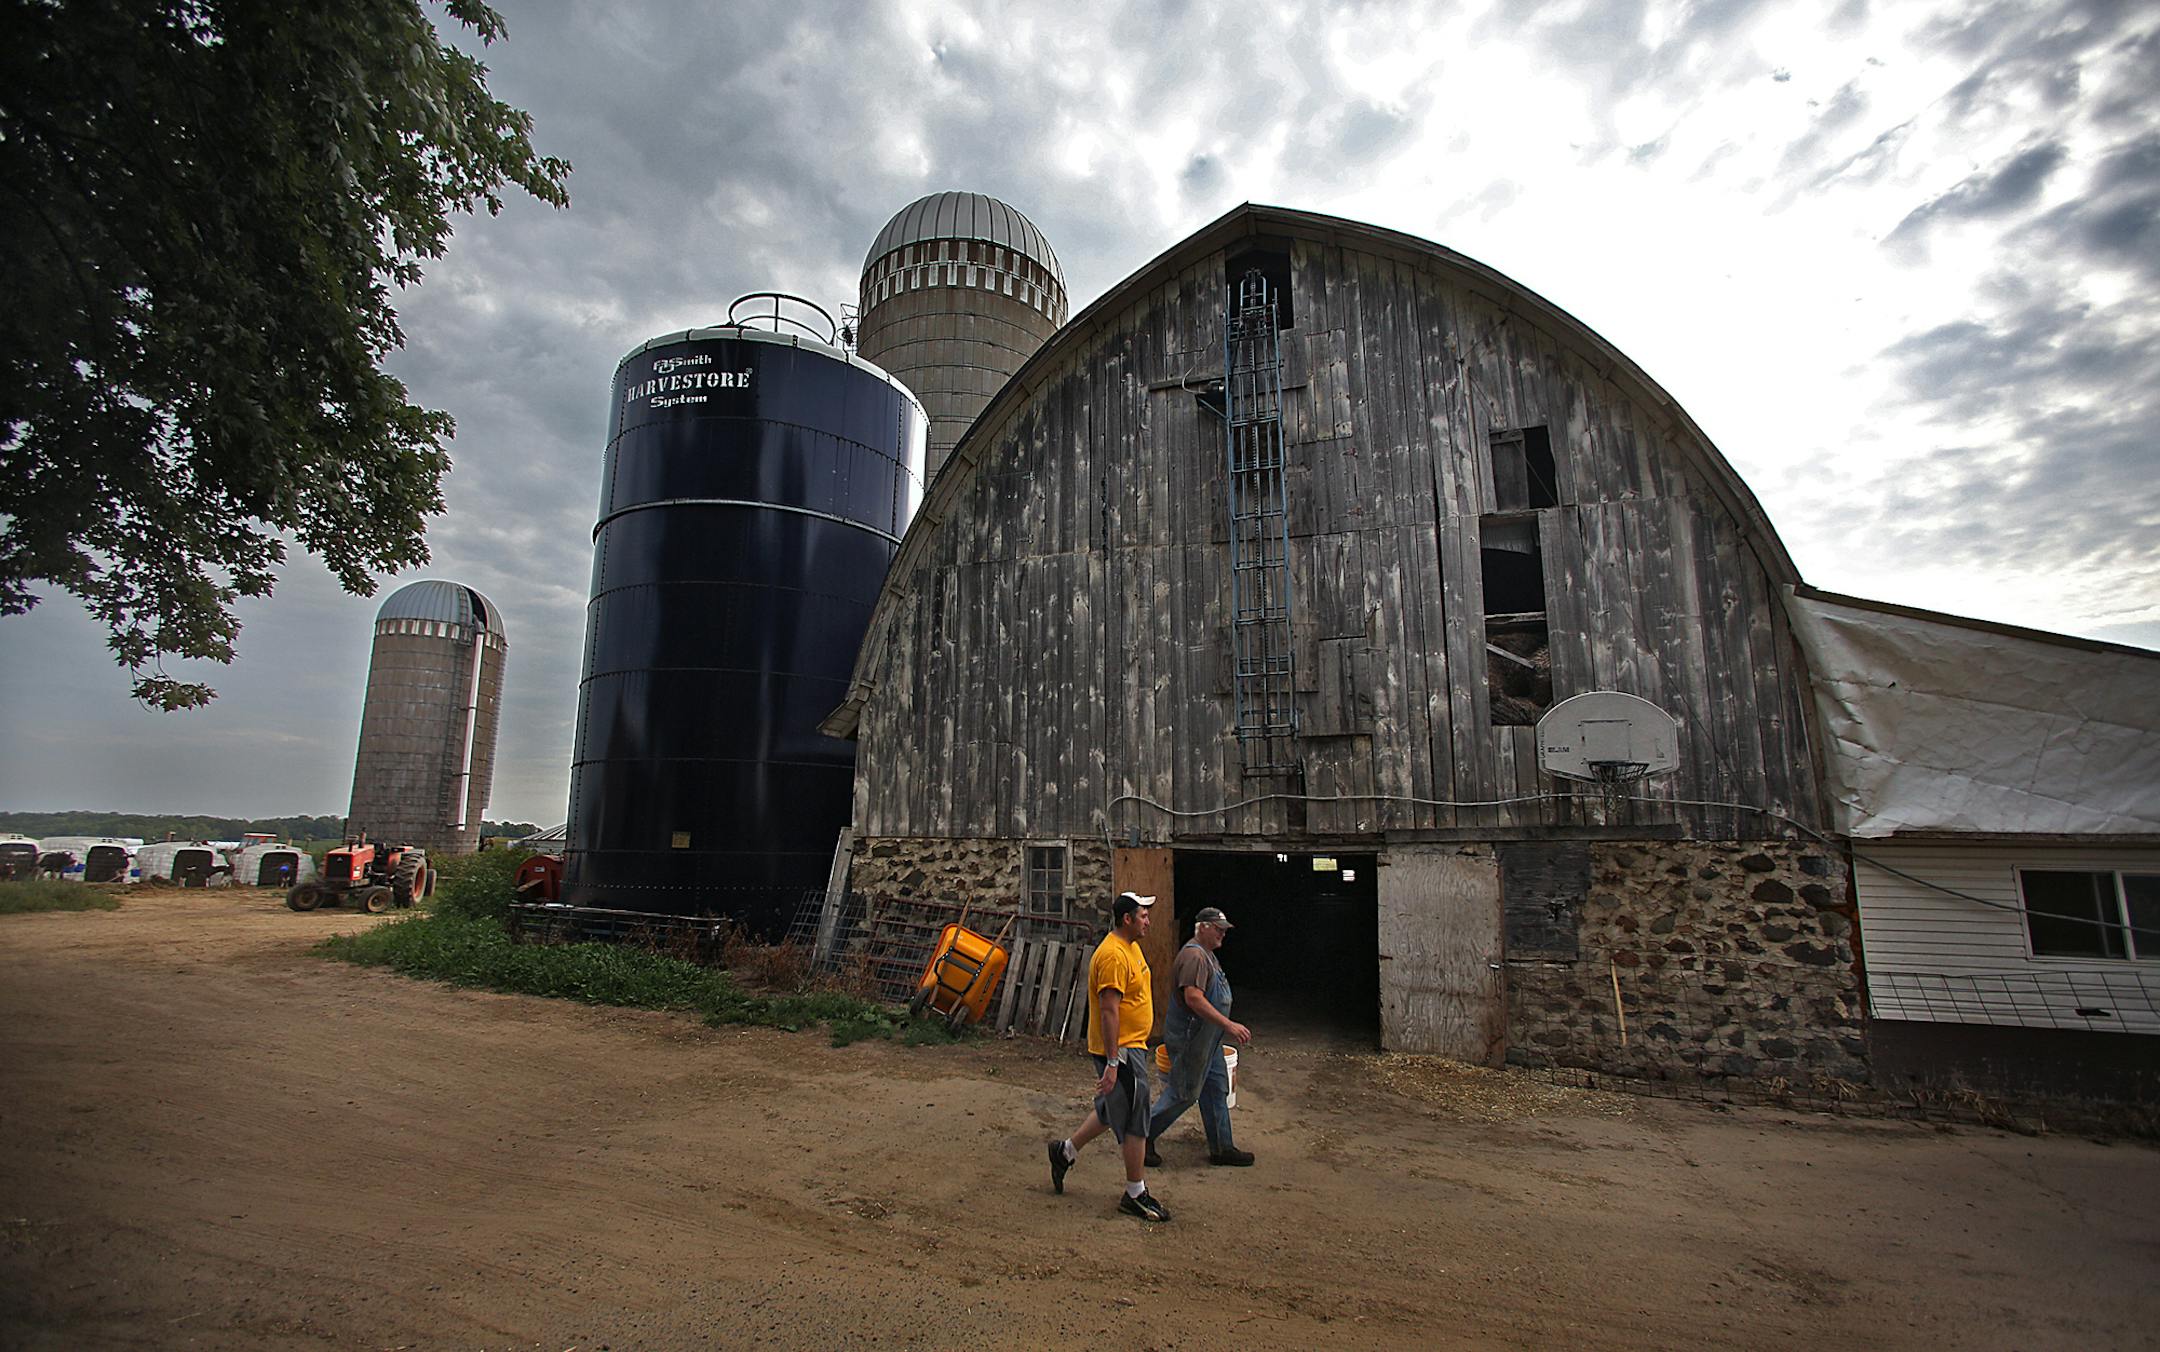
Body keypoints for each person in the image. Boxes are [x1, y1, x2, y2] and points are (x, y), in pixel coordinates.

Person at [1045, 891, 1170, 1222]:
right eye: (1143, 916)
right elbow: (1109, 1010)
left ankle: (1064, 1152)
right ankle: (1135, 1193)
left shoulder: (1130, 947)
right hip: (1123, 1051)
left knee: (1111, 1110)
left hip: (1132, 1046)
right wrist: (1113, 1062)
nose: (1148, 921)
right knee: (1135, 1121)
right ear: (1126, 919)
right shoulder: (1113, 955)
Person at [1146, 906, 1255, 1167]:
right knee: (1184, 1091)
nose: (1222, 934)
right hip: (1190, 1037)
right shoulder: (1194, 956)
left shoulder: (1208, 955)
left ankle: (1222, 1148)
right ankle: (1142, 1135)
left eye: (1224, 930)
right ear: (1203, 927)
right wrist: (1228, 1024)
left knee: (1217, 1087)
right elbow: (1193, 998)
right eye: (1218, 929)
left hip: (1208, 1038)